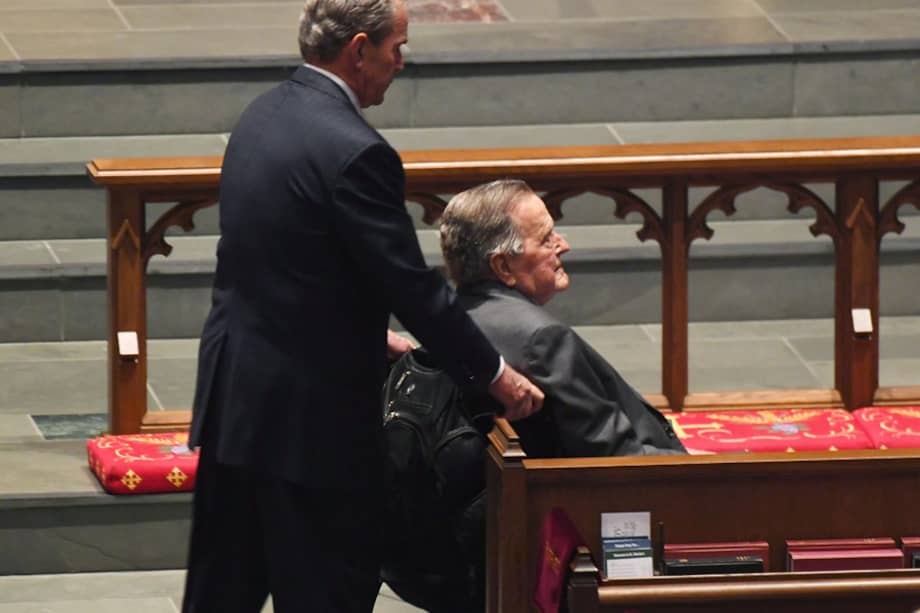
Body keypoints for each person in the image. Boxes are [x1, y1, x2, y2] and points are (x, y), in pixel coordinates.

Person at [181, 2, 543, 611]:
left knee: (221, 594)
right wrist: (495, 374)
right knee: (327, 594)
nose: (400, 63)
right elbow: (412, 288)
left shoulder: (260, 117)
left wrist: (360, 331)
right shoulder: (356, 151)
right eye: (396, 48)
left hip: (236, 407)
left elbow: (266, 261)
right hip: (311, 428)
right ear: (358, 49)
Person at [441, 179, 687, 458]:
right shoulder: (544, 340)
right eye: (546, 239)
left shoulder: (452, 320)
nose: (564, 245)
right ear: (503, 266)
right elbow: (614, 457)